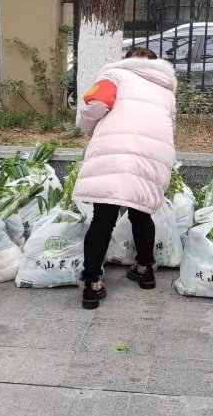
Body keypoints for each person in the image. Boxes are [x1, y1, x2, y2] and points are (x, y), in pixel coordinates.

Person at [72, 47, 177, 309]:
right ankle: (146, 270)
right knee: (141, 213)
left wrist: (88, 128)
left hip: (115, 151)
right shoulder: (166, 89)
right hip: (152, 153)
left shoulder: (115, 75)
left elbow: (97, 104)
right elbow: (170, 124)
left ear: (127, 60)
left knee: (103, 219)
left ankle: (92, 284)